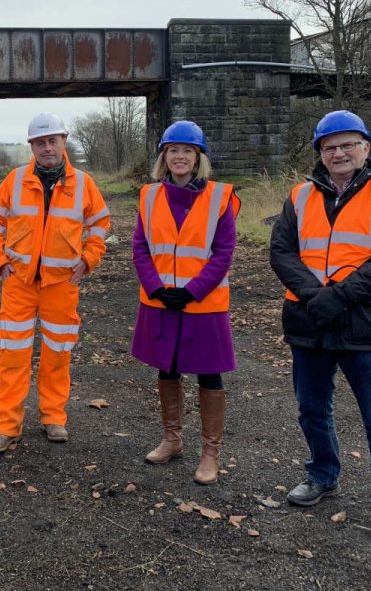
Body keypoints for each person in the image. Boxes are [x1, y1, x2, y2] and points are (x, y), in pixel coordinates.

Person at [270, 109, 371, 545]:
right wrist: (317, 296)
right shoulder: (299, 196)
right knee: (311, 408)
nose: (339, 152)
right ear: (319, 152)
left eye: (348, 144)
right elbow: (282, 251)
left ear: (365, 148)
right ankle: (322, 475)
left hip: (367, 323)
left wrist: (338, 296)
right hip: (310, 321)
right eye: (330, 146)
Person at [0, 112, 110, 454]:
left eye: (52, 141)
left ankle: (54, 417)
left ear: (64, 141)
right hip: (18, 283)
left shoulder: (83, 183)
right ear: (32, 147)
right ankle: (7, 426)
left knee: (58, 354)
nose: (47, 148)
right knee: (12, 355)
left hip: (61, 284)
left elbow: (100, 224)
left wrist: (88, 259)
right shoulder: (14, 180)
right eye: (40, 142)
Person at [131, 121, 239, 485]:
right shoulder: (148, 195)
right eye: (173, 150)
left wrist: (192, 291)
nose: (179, 156)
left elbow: (223, 252)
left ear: (198, 158)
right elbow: (140, 246)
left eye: (187, 151)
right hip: (160, 301)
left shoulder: (220, 197)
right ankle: (172, 439)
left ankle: (210, 452)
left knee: (209, 371)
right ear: (164, 156)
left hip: (203, 303)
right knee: (167, 368)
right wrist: (156, 287)